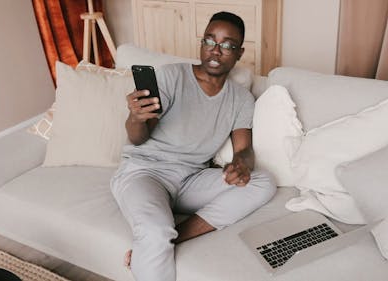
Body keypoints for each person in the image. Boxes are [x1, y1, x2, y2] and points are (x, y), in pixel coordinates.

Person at [110, 11, 276, 281]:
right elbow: (138, 138)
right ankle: (158, 239)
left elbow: (244, 148)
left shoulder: (241, 99)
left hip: (190, 179)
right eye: (209, 41)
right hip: (145, 172)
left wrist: (242, 165)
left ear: (239, 52)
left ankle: (172, 239)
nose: (215, 50)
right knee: (154, 230)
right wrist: (135, 117)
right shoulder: (172, 77)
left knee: (263, 182)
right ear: (202, 43)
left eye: (226, 45)